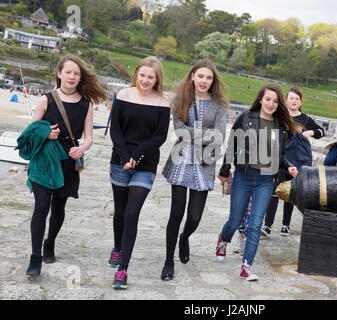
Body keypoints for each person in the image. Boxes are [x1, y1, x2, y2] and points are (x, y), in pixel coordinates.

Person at [24, 54, 106, 277]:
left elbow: (88, 137)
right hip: (44, 160)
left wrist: (82, 148)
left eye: (76, 73)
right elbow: (30, 132)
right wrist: (45, 133)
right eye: (68, 72)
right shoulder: (45, 100)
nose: (72, 76)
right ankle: (35, 258)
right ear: (59, 74)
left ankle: (49, 243)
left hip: (68, 161)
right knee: (41, 206)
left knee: (59, 206)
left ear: (80, 78)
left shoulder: (86, 104)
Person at [216, 83, 298, 281]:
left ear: (279, 105)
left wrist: (288, 166)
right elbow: (232, 145)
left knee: (255, 224)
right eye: (267, 99)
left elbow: (279, 156)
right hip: (244, 176)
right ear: (261, 99)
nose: (271, 104)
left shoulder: (280, 127)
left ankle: (247, 265)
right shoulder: (246, 118)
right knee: (235, 220)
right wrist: (225, 169)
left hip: (265, 181)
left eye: (275, 101)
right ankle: (223, 239)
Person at [161, 59, 229, 281]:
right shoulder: (181, 99)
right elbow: (179, 131)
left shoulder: (219, 106)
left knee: (195, 217)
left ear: (213, 80)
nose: (204, 81)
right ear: (192, 76)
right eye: (200, 76)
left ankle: (185, 237)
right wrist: (203, 134)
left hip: (204, 164)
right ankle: (168, 260)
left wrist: (194, 135)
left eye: (208, 78)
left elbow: (219, 136)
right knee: (176, 213)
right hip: (180, 160)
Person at [108, 57, 171, 290]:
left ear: (157, 79)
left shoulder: (163, 102)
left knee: (132, 213)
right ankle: (117, 247)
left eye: (150, 77)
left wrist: (137, 157)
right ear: (137, 74)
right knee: (121, 212)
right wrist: (125, 157)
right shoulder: (123, 96)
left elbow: (159, 136)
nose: (145, 80)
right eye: (142, 75)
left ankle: (122, 269)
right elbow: (115, 130)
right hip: (119, 161)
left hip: (145, 165)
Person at [261, 86, 325, 237]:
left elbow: (322, 132)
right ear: (286, 100)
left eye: (297, 98)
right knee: (274, 191)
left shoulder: (306, 119)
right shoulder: (280, 115)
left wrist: (310, 132)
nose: (294, 101)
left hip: (298, 160)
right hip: (279, 158)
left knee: (291, 193)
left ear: (300, 101)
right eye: (291, 98)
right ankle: (267, 225)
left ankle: (286, 225)